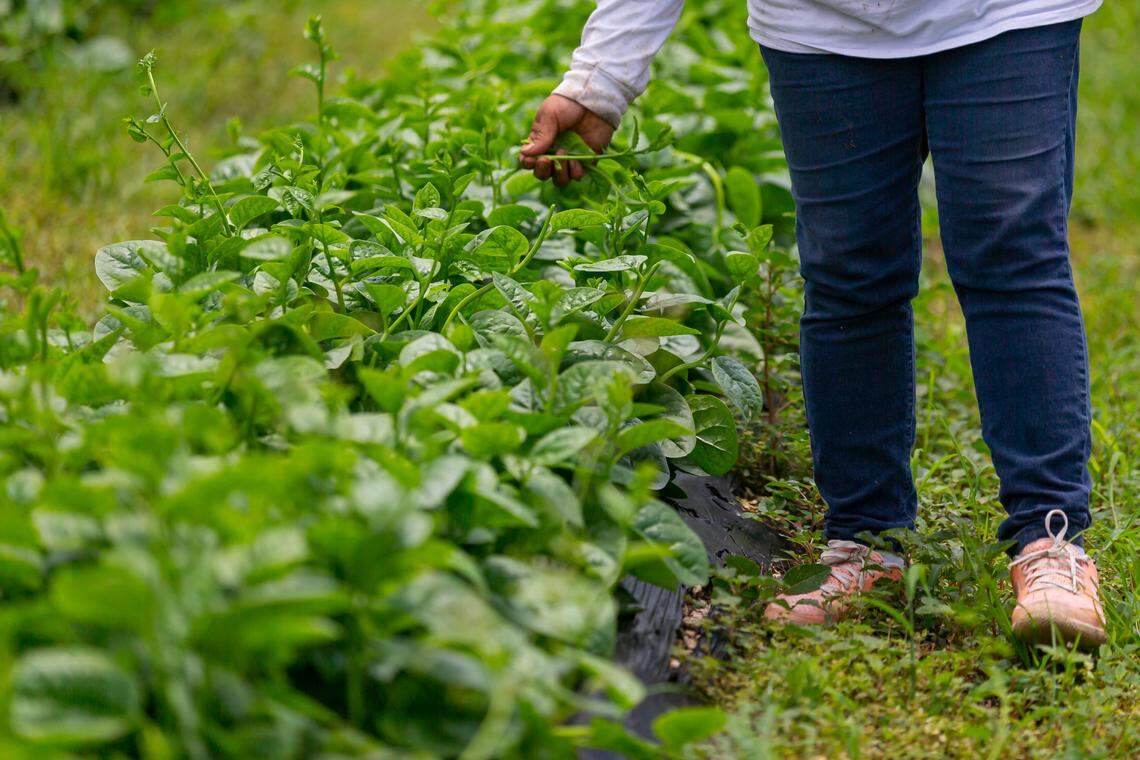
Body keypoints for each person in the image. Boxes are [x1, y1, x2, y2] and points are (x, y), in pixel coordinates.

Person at [519, 0, 1107, 648]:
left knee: (1012, 252)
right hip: (820, 28)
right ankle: (867, 546)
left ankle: (1051, 545)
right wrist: (601, 78)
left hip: (1005, 14)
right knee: (849, 272)